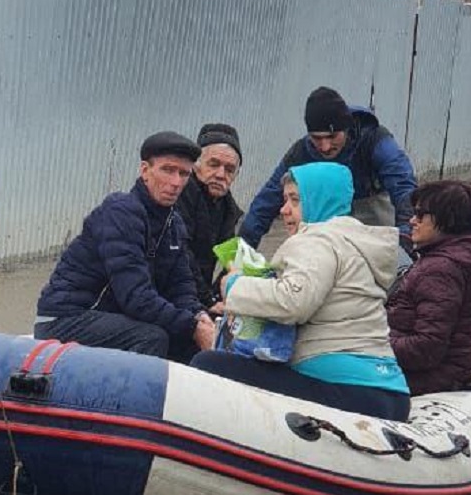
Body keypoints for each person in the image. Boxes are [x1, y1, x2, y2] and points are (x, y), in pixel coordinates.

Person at [191, 162, 410, 421]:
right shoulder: (354, 242)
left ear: (320, 200)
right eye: (284, 200)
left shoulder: (317, 240)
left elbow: (293, 302)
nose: (284, 210)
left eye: (295, 200)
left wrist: (234, 285)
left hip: (345, 388)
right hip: (391, 392)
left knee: (208, 364)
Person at [34, 132, 217, 362]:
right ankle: (130, 398)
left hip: (111, 318)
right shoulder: (121, 212)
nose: (176, 182)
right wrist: (192, 326)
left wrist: (200, 317)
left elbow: (181, 288)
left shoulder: (174, 224)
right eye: (167, 170)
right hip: (66, 318)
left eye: (184, 174)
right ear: (145, 171)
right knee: (152, 337)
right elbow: (136, 298)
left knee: (188, 339)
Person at [240, 86, 417, 251]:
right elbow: (265, 203)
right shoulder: (300, 153)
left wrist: (406, 237)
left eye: (332, 137)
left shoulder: (374, 139)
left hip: (372, 211)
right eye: (317, 138)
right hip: (323, 222)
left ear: (346, 129)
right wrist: (239, 254)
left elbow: (404, 187)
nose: (325, 147)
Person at [386, 180, 471, 396]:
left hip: (429, 379)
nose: (412, 221)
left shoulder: (440, 270)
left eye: (420, 215)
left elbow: (426, 349)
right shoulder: (463, 258)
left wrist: (367, 344)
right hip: (451, 373)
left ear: (447, 220)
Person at [176, 123, 244, 314]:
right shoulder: (180, 196)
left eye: (230, 169)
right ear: (196, 165)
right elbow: (182, 254)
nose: (221, 175)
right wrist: (208, 300)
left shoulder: (228, 209)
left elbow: (231, 259)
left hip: (196, 294)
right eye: (214, 165)